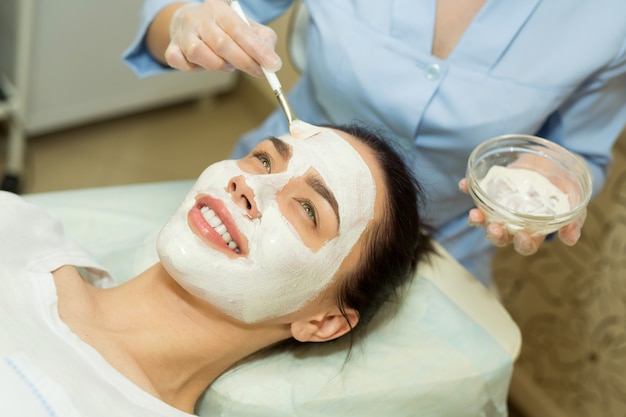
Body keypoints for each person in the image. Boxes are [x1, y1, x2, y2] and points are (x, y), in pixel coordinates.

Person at [123, 0, 626, 285]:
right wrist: (189, 21)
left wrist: (553, 180)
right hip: (268, 214)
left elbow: (581, 154)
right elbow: (173, 19)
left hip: (445, 251)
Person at [0, 122, 433, 416]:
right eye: (264, 160)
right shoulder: (15, 231)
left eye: (307, 208)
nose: (250, 184)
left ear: (323, 323)